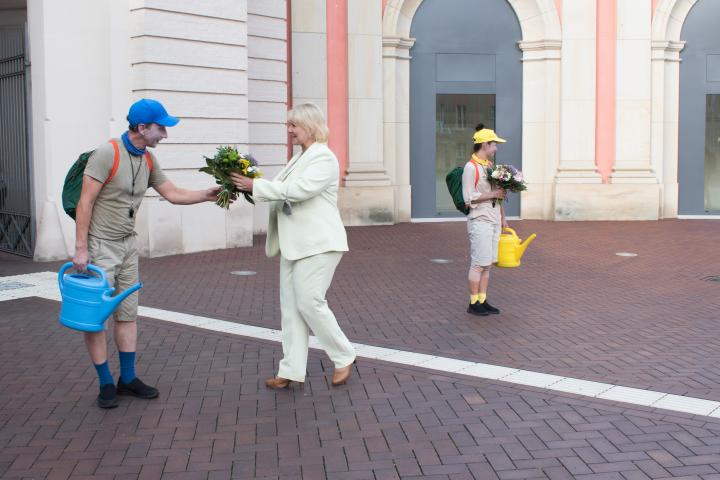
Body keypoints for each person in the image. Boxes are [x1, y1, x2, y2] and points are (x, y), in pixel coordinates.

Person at [73, 99, 221, 408]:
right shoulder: (107, 154)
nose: (165, 134)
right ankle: (105, 383)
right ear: (143, 128)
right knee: (96, 318)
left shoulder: (148, 159)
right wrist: (81, 249)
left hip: (128, 245)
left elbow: (173, 193)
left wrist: (208, 195)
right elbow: (85, 202)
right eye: (161, 128)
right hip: (100, 246)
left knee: (127, 314)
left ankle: (127, 379)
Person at [230, 103, 356, 389]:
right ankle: (290, 370)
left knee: (310, 302)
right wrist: (244, 186)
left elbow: (299, 191)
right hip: (294, 244)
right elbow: (279, 190)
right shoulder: (300, 158)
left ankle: (343, 355)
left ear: (309, 127)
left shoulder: (323, 158)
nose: (289, 131)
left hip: (319, 244)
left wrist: (254, 186)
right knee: (291, 309)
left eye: (293, 126)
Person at [463, 124, 508, 317]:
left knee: (488, 263)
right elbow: (468, 198)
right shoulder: (470, 168)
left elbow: (496, 196)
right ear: (485, 145)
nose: (496, 148)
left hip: (493, 219)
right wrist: (493, 193)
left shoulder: (489, 166)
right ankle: (473, 303)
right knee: (478, 263)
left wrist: (503, 217)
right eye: (494, 144)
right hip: (480, 219)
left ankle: (483, 299)